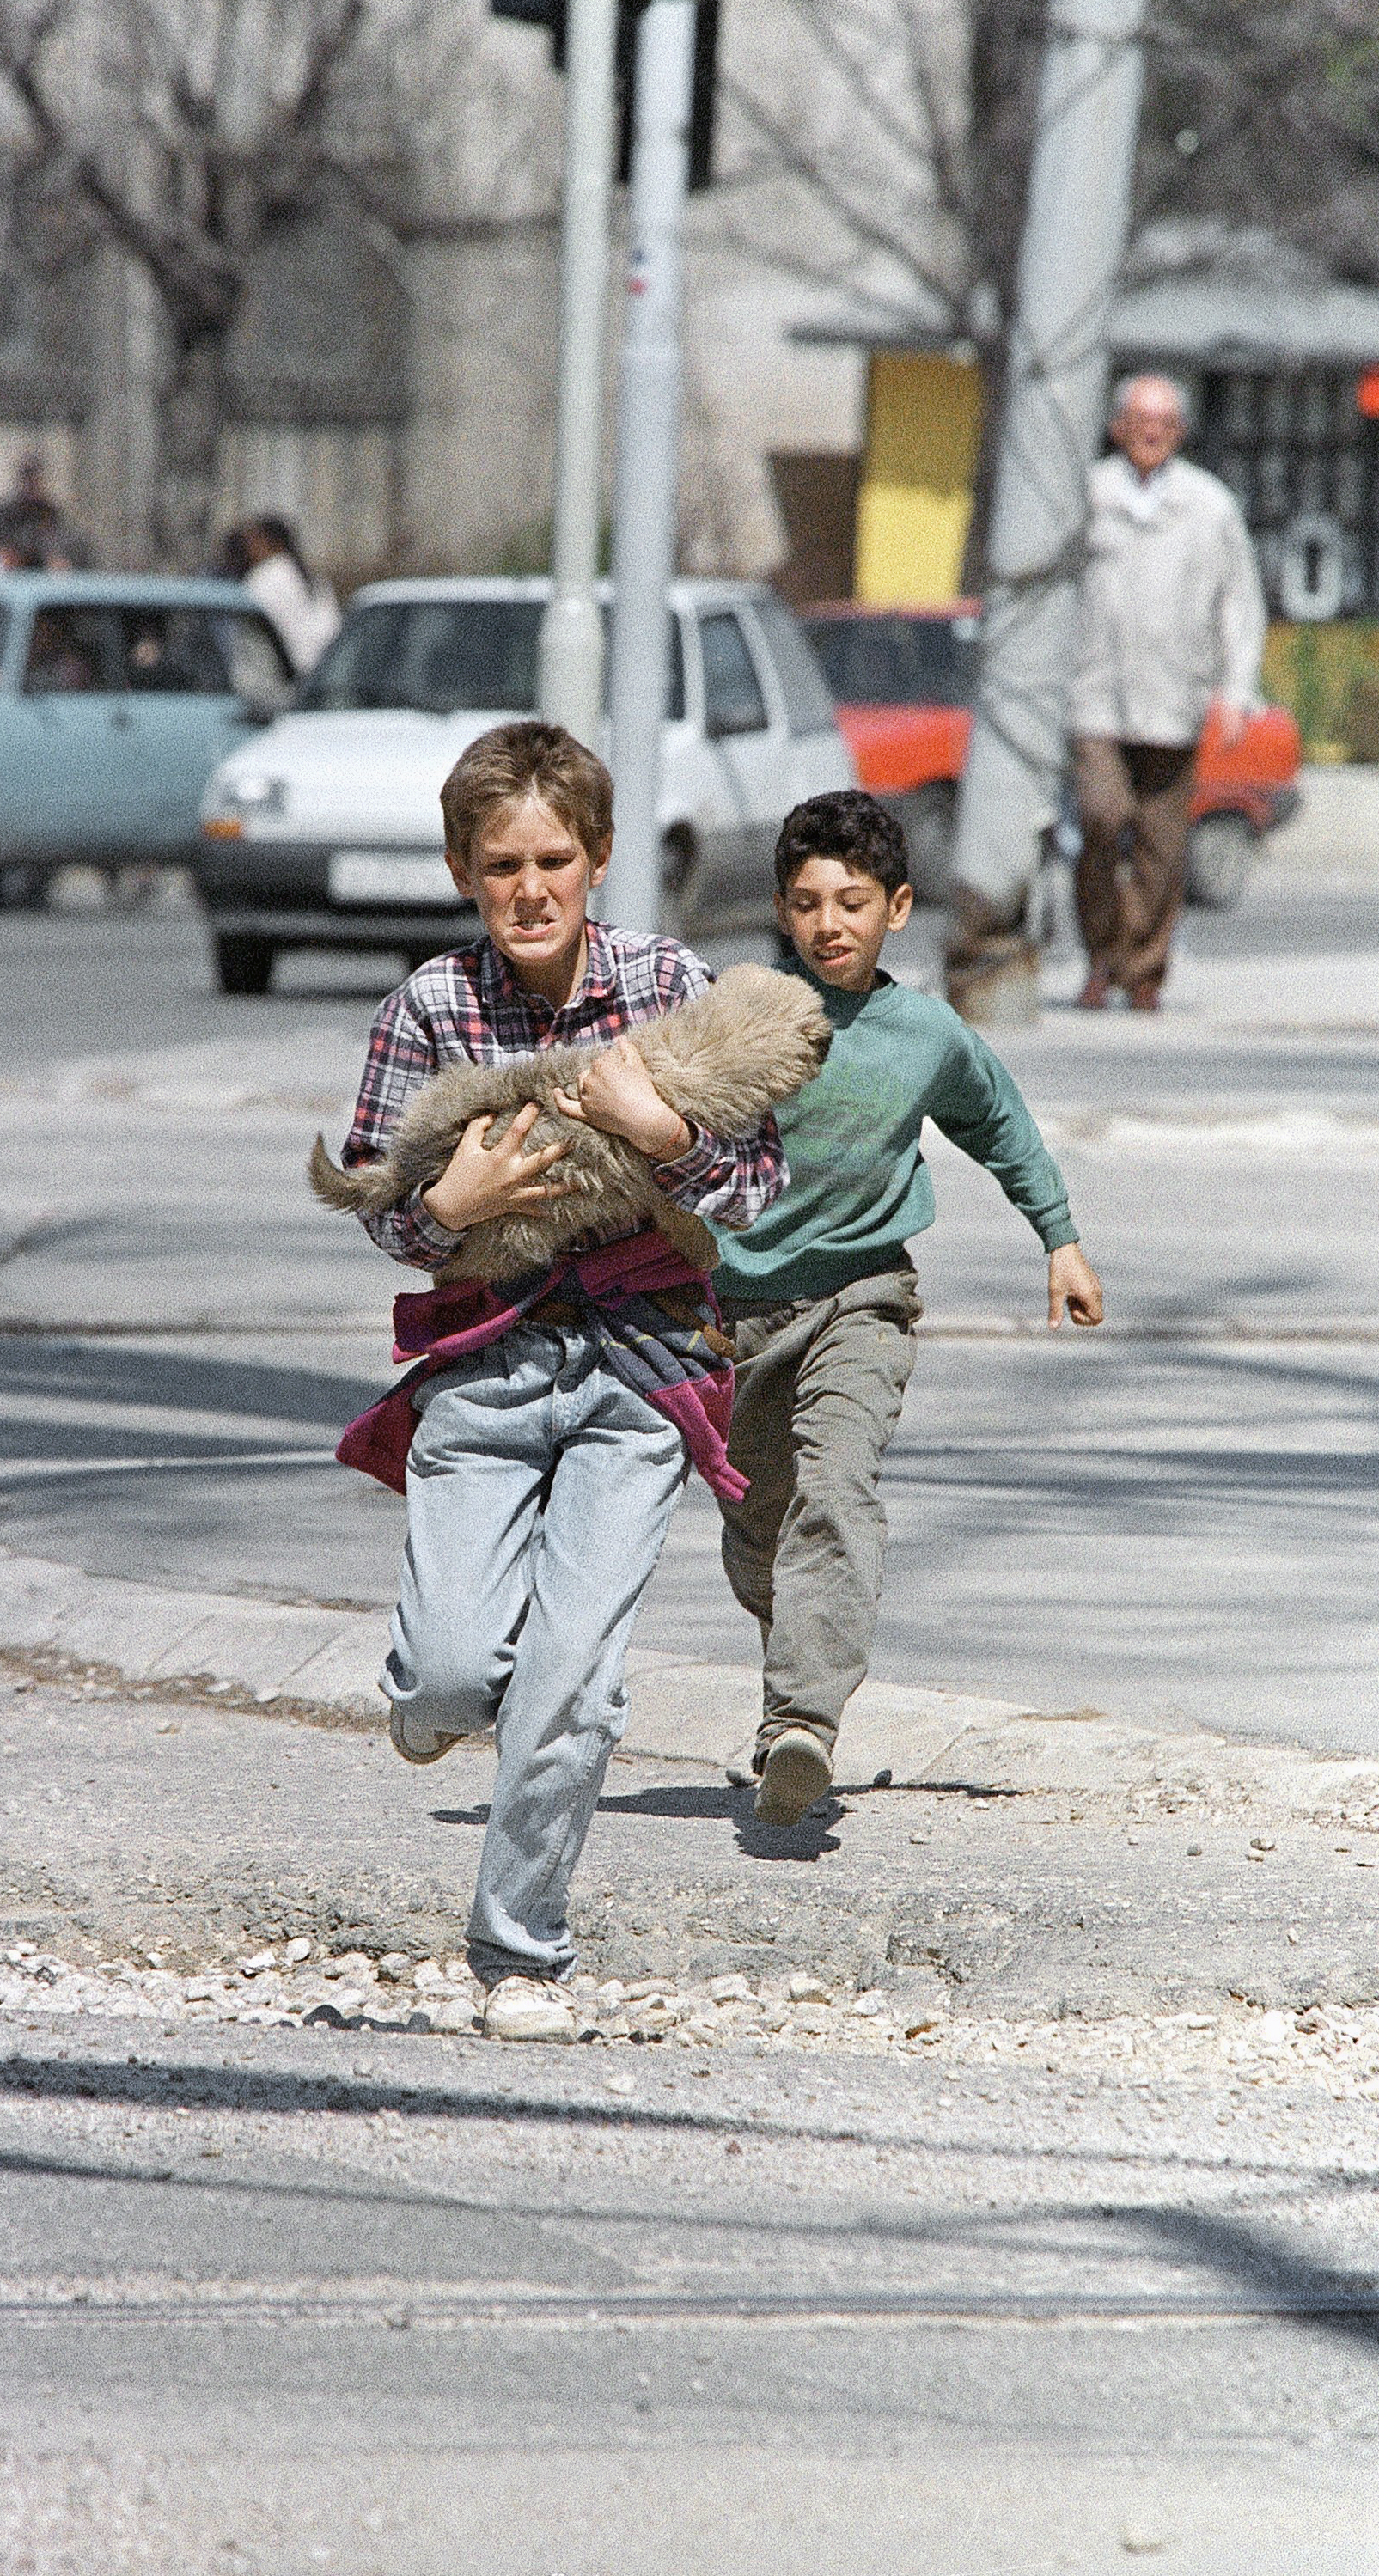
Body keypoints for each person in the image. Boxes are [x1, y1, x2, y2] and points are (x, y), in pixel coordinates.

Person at [331, 720, 788, 2036]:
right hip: (487, 1366)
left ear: (596, 858)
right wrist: (448, 1205)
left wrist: (666, 1131)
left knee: (573, 1677)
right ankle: (437, 1697)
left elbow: (759, 1186)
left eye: (552, 860)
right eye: (501, 865)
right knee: (448, 1675)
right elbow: (376, 1197)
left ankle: (519, 1953)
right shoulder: (430, 1008)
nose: (529, 889)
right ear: (463, 872)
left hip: (640, 1369)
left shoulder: (667, 982)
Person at [714, 790, 1104, 1829]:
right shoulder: (742, 1013)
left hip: (861, 1298)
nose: (828, 924)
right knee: (759, 1530)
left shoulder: (925, 1032)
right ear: (781, 911)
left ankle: (799, 1726)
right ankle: (792, 1667)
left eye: (851, 902)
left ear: (895, 907)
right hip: (732, 1315)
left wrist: (1059, 1237)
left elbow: (999, 1123)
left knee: (836, 1489)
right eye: (806, 904)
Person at [1071, 374, 1266, 1011]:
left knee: (1163, 843)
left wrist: (1236, 691)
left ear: (1179, 432)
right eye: (1139, 418)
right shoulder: (1088, 495)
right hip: (1095, 697)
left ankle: (1143, 969)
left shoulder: (1209, 505)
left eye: (1164, 421)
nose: (1151, 431)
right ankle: (1101, 955)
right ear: (1117, 426)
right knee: (1101, 818)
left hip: (1174, 700)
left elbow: (1240, 603)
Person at [223, 514, 341, 673]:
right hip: (325, 669)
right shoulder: (312, 578)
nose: (249, 549)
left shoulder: (264, 578)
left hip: (286, 674)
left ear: (271, 542)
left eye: (254, 541)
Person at [0, 453, 88, 574]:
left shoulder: (49, 513)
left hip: (39, 569)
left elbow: (59, 545)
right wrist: (3, 554)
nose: (31, 484)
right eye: (27, 478)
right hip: (6, 573)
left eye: (35, 478)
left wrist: (51, 557)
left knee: (60, 570)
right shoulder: (1, 513)